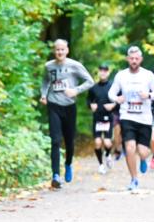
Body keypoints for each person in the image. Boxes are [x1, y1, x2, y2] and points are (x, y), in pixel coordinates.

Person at [39, 39, 94, 189]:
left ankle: (68, 163)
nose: (60, 52)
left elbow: (90, 81)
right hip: (53, 105)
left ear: (67, 50)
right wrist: (44, 94)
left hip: (69, 107)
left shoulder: (75, 65)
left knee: (69, 141)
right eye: (57, 50)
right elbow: (45, 81)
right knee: (55, 140)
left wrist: (75, 90)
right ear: (54, 51)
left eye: (62, 49)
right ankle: (55, 175)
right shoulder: (48, 66)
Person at [108, 46, 154, 191]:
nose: (133, 61)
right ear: (127, 59)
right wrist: (117, 98)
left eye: (136, 58)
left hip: (144, 118)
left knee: (143, 151)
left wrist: (148, 95)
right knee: (130, 148)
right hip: (127, 117)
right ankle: (134, 179)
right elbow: (111, 93)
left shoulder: (148, 75)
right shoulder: (121, 75)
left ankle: (144, 159)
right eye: (131, 58)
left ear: (141, 60)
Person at [86, 63, 117, 173]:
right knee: (98, 143)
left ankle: (108, 154)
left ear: (108, 73)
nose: (103, 73)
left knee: (108, 143)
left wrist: (113, 105)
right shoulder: (94, 88)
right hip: (97, 118)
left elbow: (119, 100)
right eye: (101, 71)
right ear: (98, 72)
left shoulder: (113, 86)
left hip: (108, 118)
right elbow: (88, 101)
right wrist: (91, 106)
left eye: (105, 71)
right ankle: (101, 165)